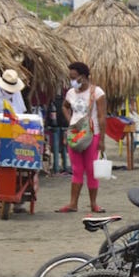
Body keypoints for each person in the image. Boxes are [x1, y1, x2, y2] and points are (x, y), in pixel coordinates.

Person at [57, 61, 106, 213]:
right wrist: (70, 120)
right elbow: (64, 106)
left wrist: (102, 140)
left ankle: (93, 204)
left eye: (74, 77)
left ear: (83, 77)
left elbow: (102, 116)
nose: (72, 81)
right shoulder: (71, 93)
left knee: (91, 169)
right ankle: (73, 203)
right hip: (75, 134)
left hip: (93, 133)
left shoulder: (97, 93)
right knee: (77, 169)